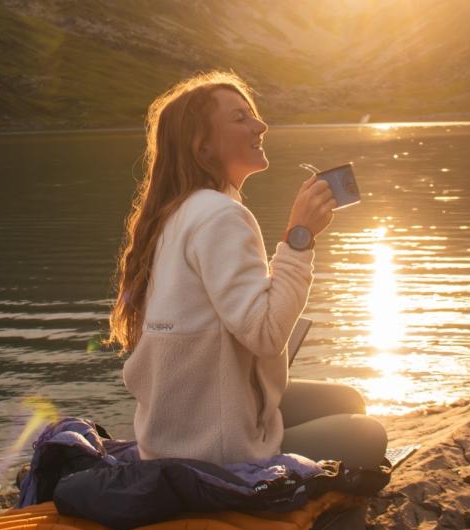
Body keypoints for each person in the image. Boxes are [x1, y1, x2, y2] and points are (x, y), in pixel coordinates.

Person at [106, 70, 387, 470]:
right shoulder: (221, 215)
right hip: (213, 453)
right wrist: (300, 237)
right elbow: (267, 334)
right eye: (240, 118)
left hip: (174, 433)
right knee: (369, 435)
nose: (261, 125)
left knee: (347, 400)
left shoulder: (174, 213)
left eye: (252, 114)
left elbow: (236, 320)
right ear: (202, 146)